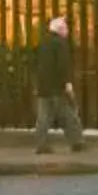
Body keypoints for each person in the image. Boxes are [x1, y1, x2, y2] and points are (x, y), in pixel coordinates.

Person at [32, 17, 87, 154]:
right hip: (57, 87)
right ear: (60, 29)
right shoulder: (60, 44)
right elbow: (63, 65)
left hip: (43, 87)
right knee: (68, 115)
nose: (68, 31)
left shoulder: (43, 43)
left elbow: (35, 63)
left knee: (43, 118)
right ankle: (77, 142)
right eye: (66, 28)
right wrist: (67, 83)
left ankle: (41, 144)